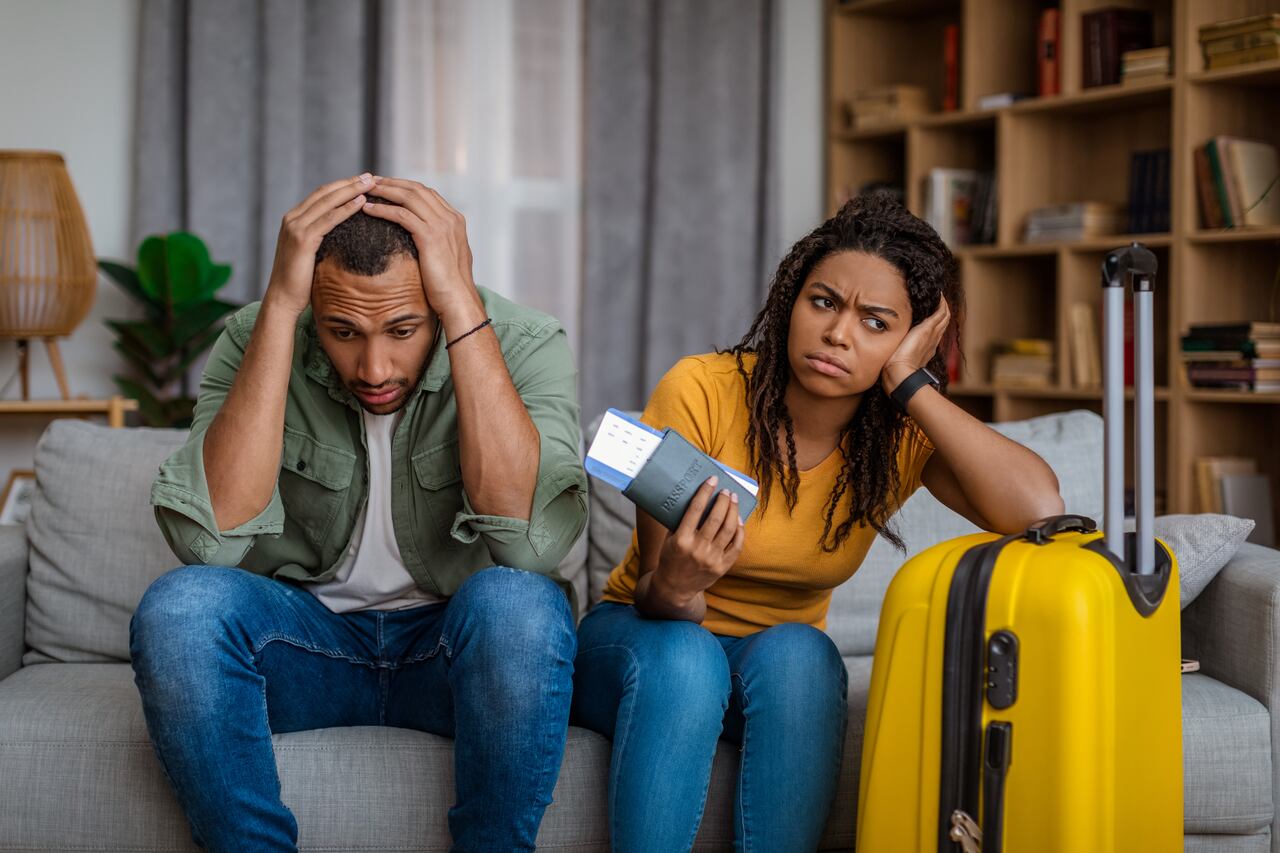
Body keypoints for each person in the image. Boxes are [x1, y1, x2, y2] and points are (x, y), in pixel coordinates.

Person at [571, 192, 1065, 852]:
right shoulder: (701, 389)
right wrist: (684, 586)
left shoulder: (897, 438)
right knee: (688, 661)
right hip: (646, 637)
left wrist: (911, 383)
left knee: (807, 654)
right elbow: (655, 595)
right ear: (790, 301)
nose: (838, 333)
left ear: (909, 339)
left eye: (876, 322)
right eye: (824, 302)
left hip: (768, 667)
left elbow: (1039, 509)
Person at [129, 174, 588, 852]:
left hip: (453, 655)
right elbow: (213, 541)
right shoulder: (260, 335)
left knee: (518, 604)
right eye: (343, 331)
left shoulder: (524, 341)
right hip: (306, 650)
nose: (374, 366)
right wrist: (282, 308)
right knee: (179, 609)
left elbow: (528, 544)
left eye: (402, 329)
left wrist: (460, 305)